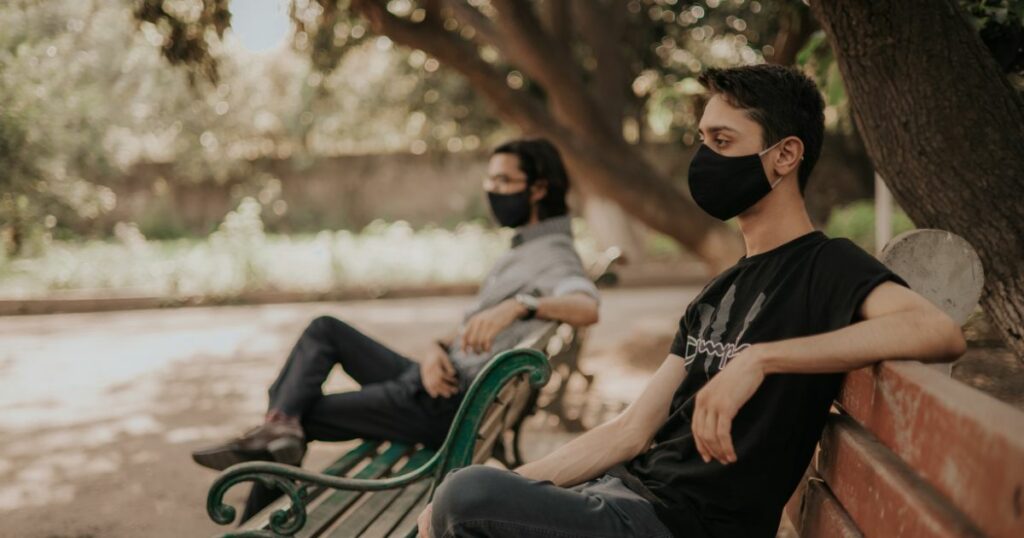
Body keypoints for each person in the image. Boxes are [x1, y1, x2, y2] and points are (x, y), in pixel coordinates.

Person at [418, 64, 966, 538]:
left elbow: (935, 330)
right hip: (626, 500)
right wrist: (517, 482)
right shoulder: (718, 291)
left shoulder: (826, 265)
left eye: (722, 141)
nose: (704, 157)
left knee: (467, 499)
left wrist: (762, 358)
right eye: (702, 139)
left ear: (785, 156)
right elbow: (631, 429)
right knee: (470, 495)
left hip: (680, 526)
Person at [190, 138, 601, 522]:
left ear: (538, 189)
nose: (491, 189)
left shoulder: (553, 254)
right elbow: (470, 331)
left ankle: (257, 500)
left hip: (446, 407)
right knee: (325, 330)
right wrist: (433, 350)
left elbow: (587, 305)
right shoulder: (528, 247)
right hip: (442, 381)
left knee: (300, 414)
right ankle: (279, 428)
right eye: (489, 178)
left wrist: (521, 306)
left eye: (503, 180)